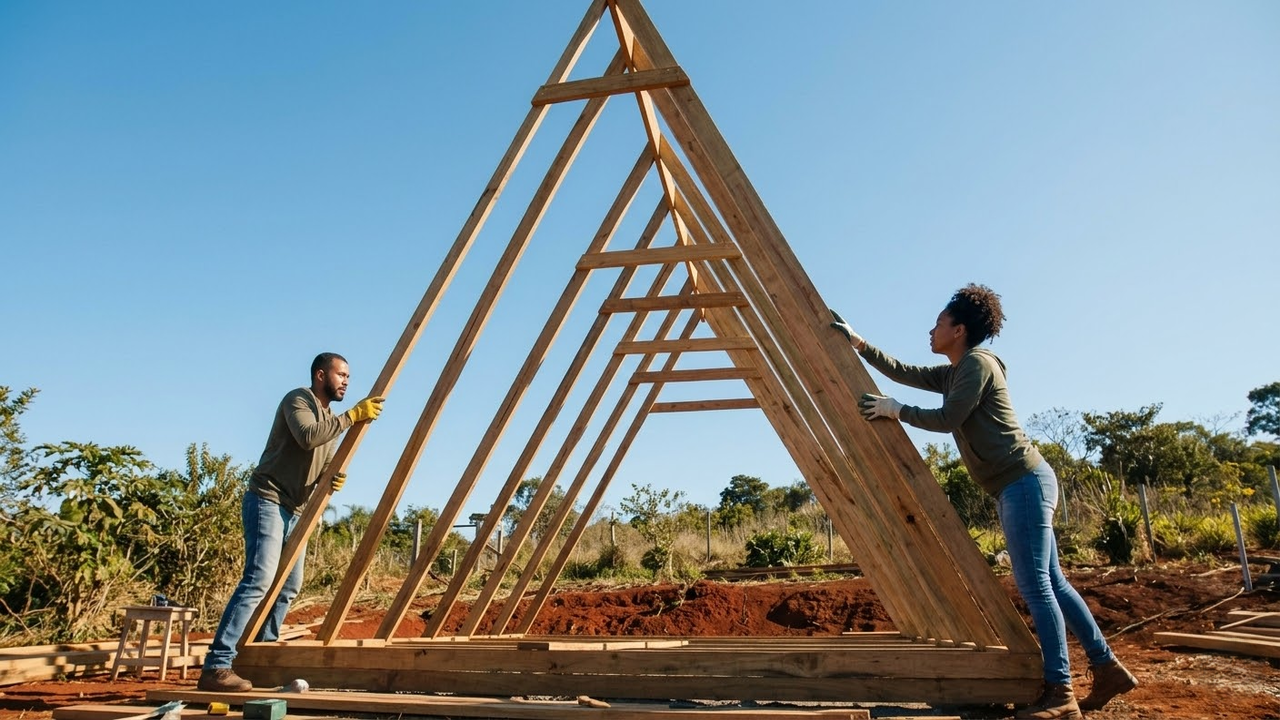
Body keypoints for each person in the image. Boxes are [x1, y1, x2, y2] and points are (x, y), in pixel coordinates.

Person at [829, 284, 1136, 720]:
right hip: (1020, 484)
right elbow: (903, 371)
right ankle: (1107, 668)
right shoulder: (954, 371)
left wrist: (896, 411)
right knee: (1054, 584)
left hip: (1023, 482)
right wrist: (859, 343)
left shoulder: (977, 365)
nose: (930, 330)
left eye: (938, 323)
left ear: (958, 330)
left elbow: (948, 418)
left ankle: (1061, 693)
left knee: (1037, 587)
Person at [198, 352, 385, 692]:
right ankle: (217, 665)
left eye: (348, 377)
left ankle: (263, 655)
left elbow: (322, 461)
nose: (346, 381)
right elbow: (307, 436)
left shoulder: (330, 419)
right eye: (341, 375)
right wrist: (353, 416)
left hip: (295, 509)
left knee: (288, 586)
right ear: (320, 375)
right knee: (258, 580)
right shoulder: (298, 400)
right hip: (267, 499)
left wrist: (330, 478)